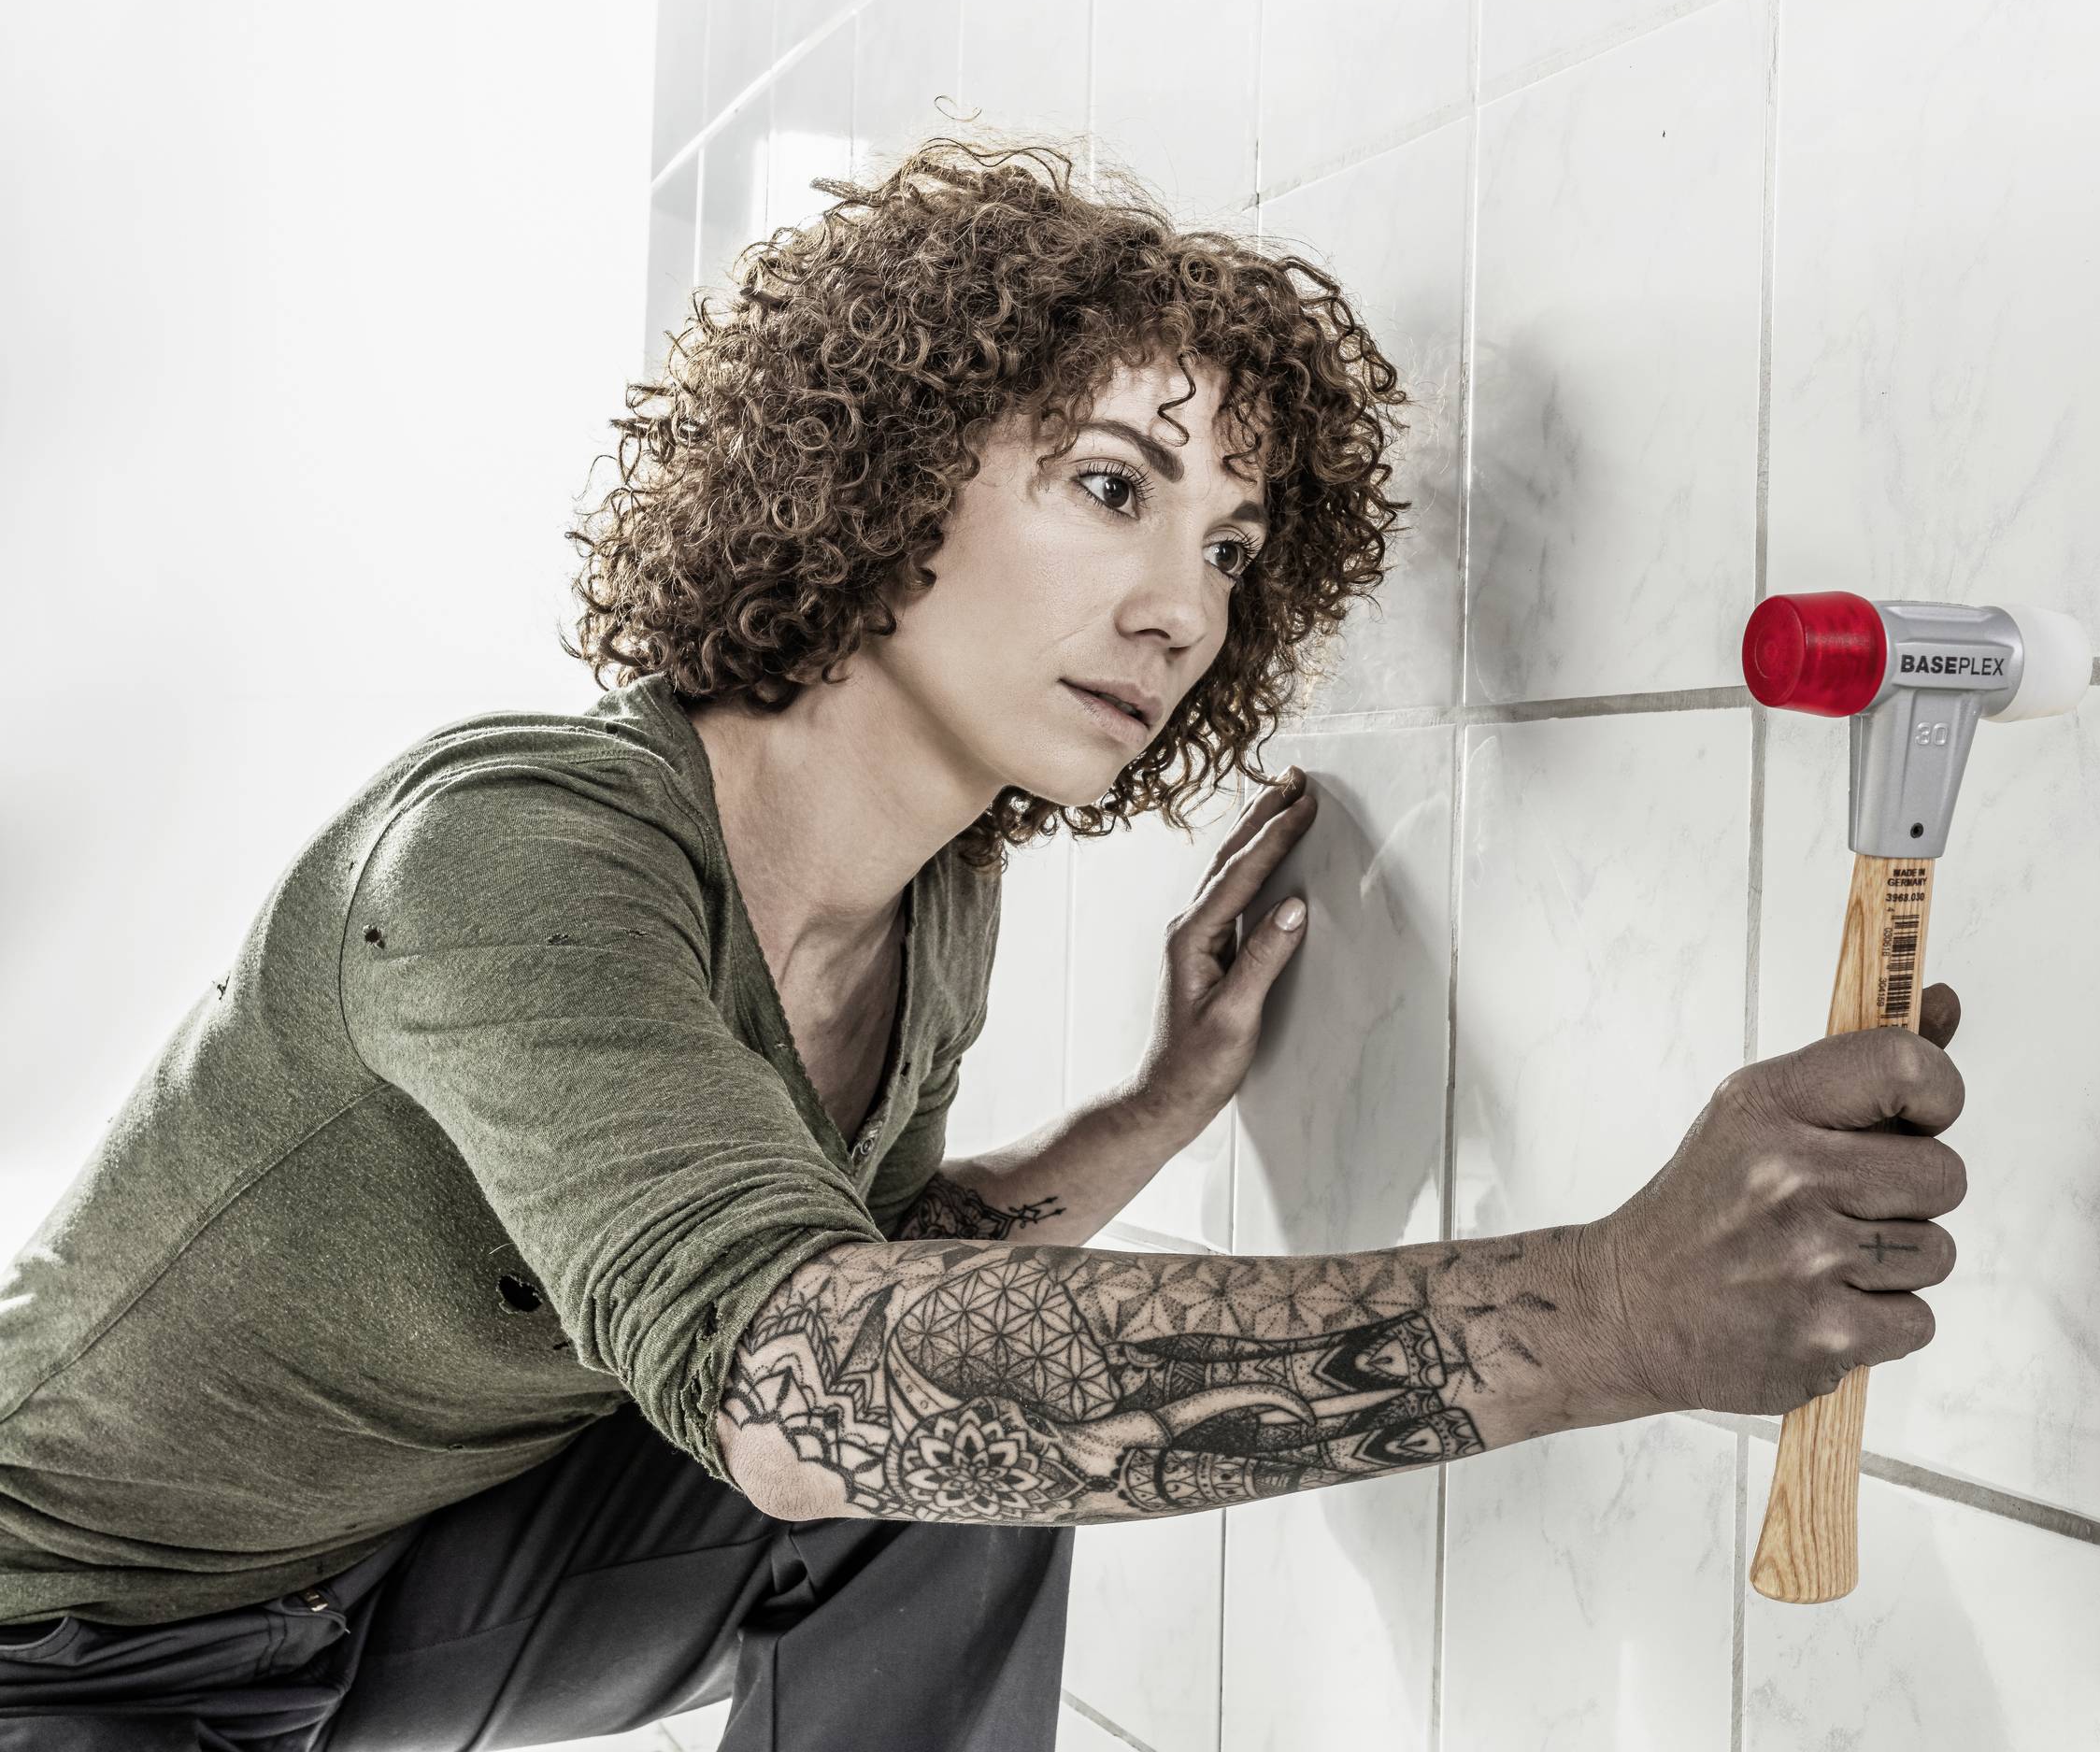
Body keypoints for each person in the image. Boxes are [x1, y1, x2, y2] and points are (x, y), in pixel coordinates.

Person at [0, 137, 1969, 1751]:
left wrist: (1157, 1106)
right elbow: (809, 1384)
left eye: (1225, 552)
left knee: (966, 1453)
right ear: (880, 470)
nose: (1182, 609)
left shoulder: (938, 896)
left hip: (409, 1583)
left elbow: (875, 1300)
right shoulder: (509, 853)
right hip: (69, 1644)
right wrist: (1615, 1305)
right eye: (1113, 487)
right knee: (915, 1408)